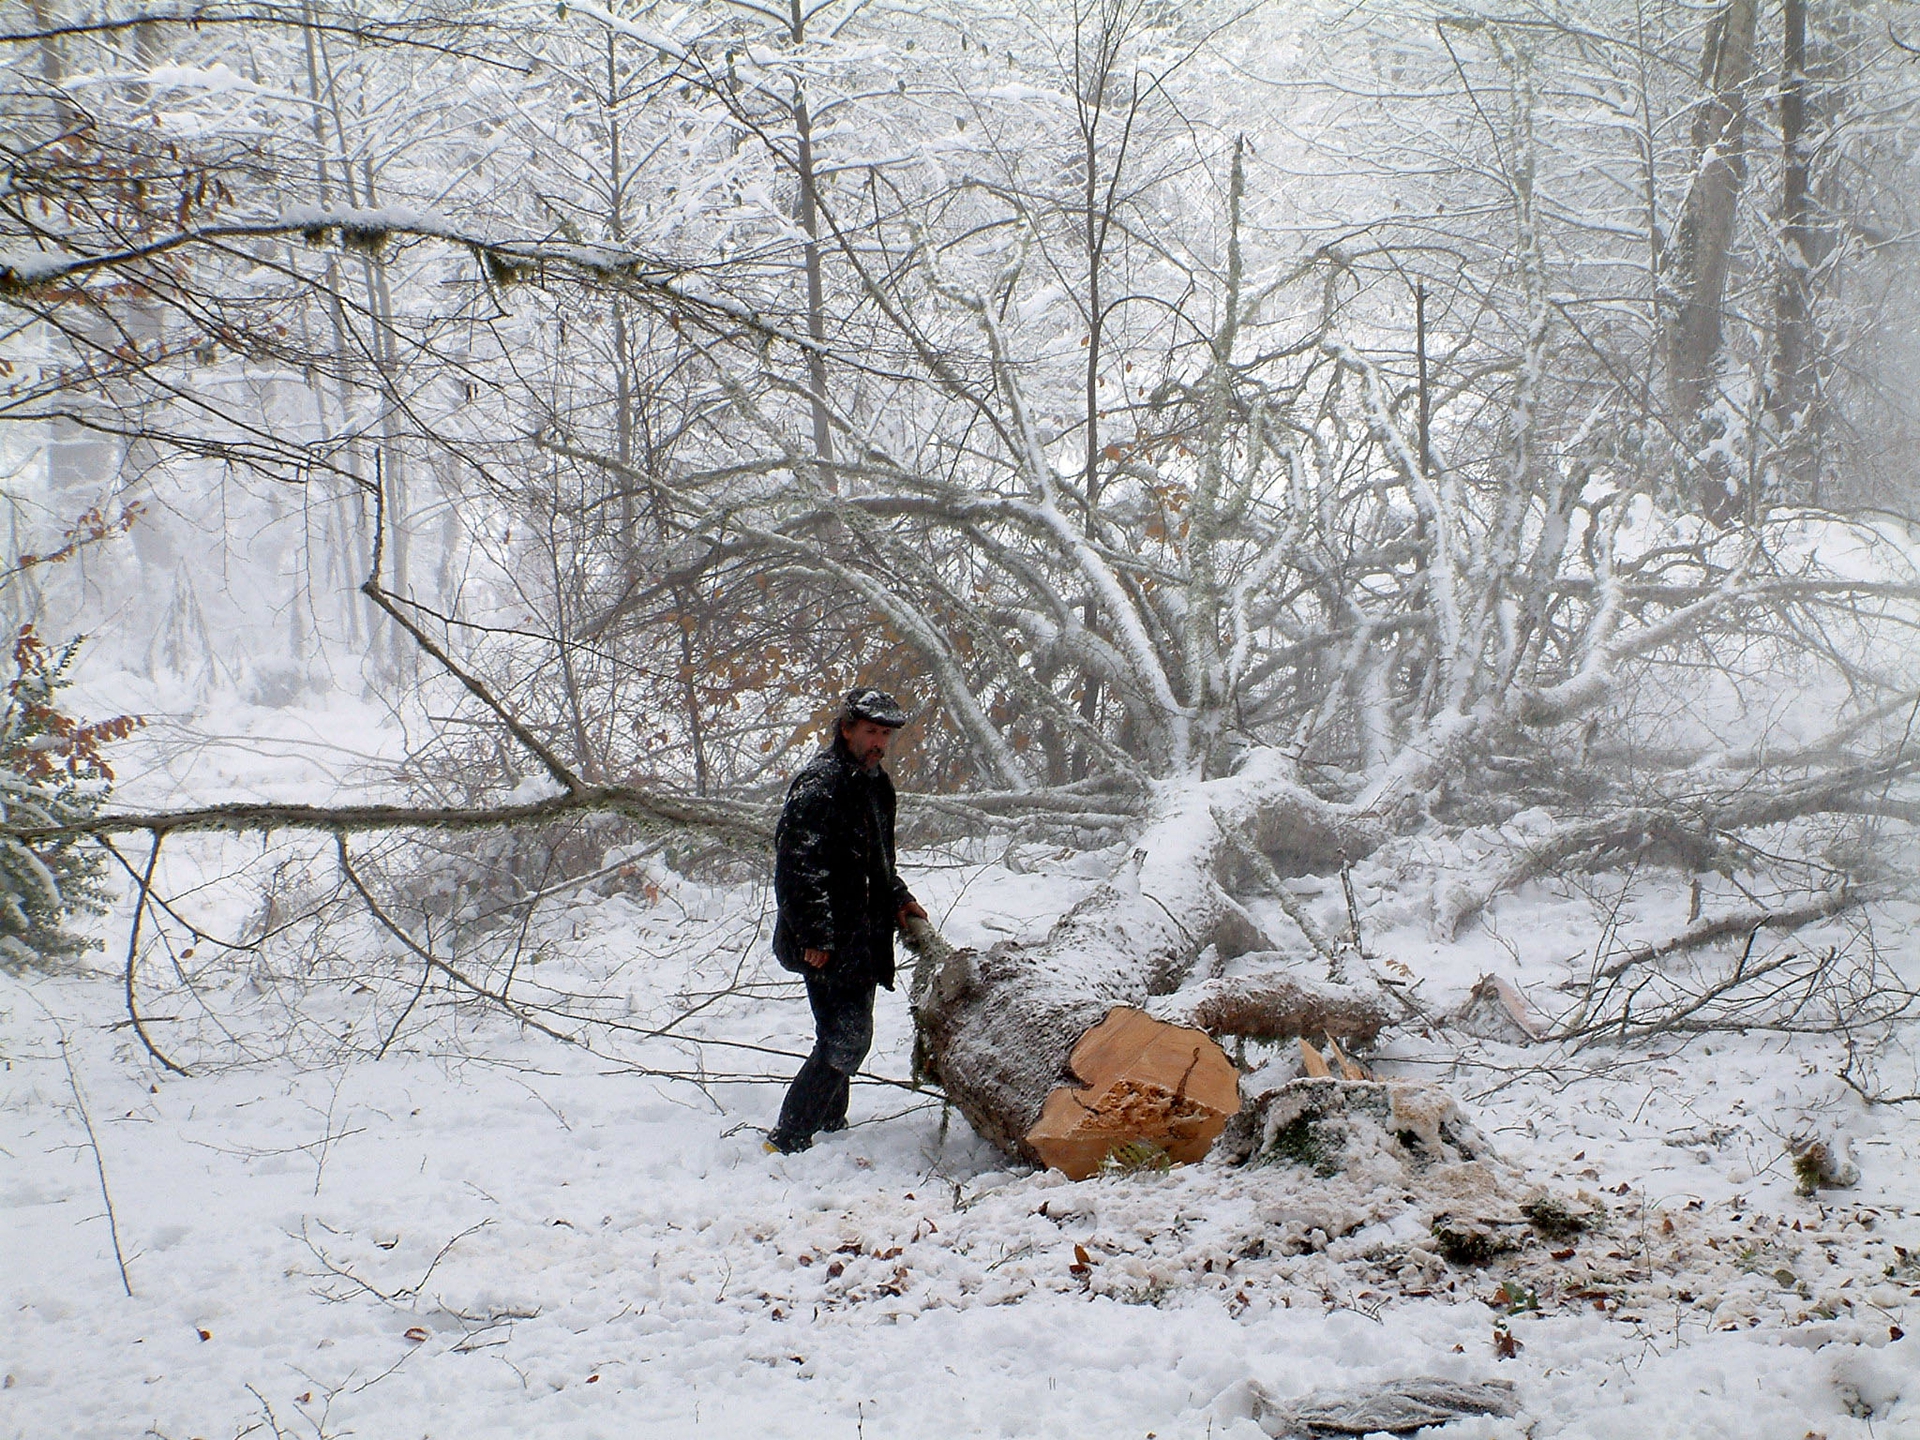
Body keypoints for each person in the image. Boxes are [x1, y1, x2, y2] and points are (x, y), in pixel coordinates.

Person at [766, 687, 927, 1154]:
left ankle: (830, 1123)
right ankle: (790, 1135)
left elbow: (880, 863)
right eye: (871, 731)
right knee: (848, 1037)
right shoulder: (820, 784)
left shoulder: (877, 784)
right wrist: (815, 934)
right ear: (847, 729)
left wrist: (899, 898)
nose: (878, 742)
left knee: (841, 1033)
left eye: (885, 734)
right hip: (827, 937)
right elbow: (797, 867)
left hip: (863, 935)